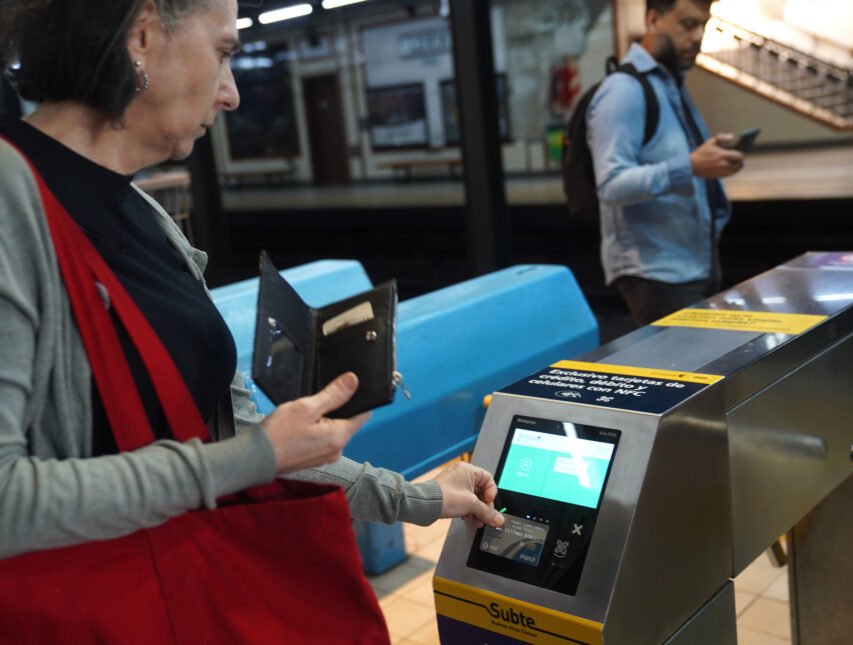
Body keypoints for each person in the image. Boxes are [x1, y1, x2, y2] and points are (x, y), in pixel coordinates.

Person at [0, 0, 504, 563]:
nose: (231, 93)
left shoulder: (147, 216)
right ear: (141, 36)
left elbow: (240, 438)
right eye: (222, 53)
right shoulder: (10, 206)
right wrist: (255, 456)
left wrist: (419, 497)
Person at [586, 0, 745, 326]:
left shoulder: (671, 83)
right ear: (653, 20)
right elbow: (611, 185)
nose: (698, 36)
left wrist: (710, 159)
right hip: (656, 273)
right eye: (687, 24)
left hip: (693, 262)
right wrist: (691, 166)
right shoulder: (623, 91)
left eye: (704, 25)